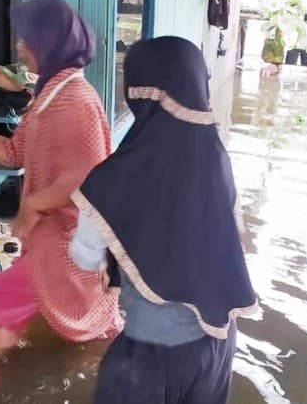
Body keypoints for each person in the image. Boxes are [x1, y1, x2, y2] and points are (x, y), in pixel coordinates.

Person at [69, 36, 259, 404]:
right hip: (217, 347)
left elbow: (84, 258)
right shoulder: (217, 158)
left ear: (139, 92)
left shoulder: (113, 178)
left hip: (150, 358)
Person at [0, 0, 122, 353]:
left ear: (51, 43)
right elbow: (14, 152)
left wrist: (31, 207)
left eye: (28, 38)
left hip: (69, 241)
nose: (20, 46)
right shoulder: (52, 95)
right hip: (52, 238)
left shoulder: (74, 100)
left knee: (7, 300)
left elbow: (83, 179)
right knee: (77, 322)